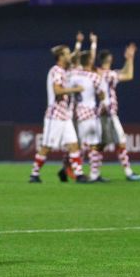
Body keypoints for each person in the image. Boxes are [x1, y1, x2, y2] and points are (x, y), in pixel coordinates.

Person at [29, 44, 85, 183]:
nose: (69, 56)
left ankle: (79, 174)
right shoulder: (56, 71)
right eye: (66, 54)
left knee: (73, 144)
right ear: (60, 57)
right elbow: (57, 91)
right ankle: (34, 174)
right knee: (47, 147)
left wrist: (79, 44)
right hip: (55, 116)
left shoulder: (63, 71)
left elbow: (74, 57)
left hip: (65, 116)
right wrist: (75, 89)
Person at [98, 44, 140, 181]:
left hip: (100, 113)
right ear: (109, 59)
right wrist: (130, 58)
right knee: (121, 141)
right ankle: (128, 172)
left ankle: (89, 171)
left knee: (101, 144)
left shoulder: (98, 73)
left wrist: (128, 59)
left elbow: (123, 72)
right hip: (109, 113)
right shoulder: (109, 74)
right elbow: (128, 75)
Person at [67, 51, 107, 182]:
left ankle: (77, 170)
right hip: (89, 112)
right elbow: (102, 94)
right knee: (93, 144)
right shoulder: (94, 77)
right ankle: (91, 173)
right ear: (90, 61)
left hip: (77, 112)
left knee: (84, 144)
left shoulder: (73, 75)